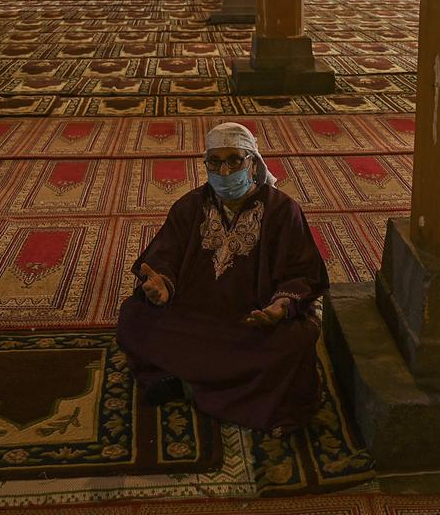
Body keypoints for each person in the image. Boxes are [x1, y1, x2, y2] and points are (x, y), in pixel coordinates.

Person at [116, 122, 329, 436]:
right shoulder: (190, 206)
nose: (224, 171)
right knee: (133, 316)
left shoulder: (283, 211)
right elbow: (166, 256)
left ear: (252, 163)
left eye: (234, 160)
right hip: (195, 314)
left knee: (293, 342)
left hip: (252, 321)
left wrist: (280, 306)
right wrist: (162, 285)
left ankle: (188, 381)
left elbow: (301, 272)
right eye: (214, 162)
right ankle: (222, 386)